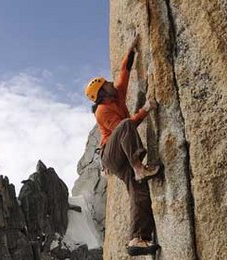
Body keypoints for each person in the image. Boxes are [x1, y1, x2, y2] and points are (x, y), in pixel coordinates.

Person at [84, 35, 162, 256]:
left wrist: (131, 49)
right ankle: (139, 167)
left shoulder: (116, 95)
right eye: (105, 84)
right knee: (126, 124)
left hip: (122, 157)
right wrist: (146, 109)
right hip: (112, 155)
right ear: (101, 93)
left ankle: (138, 238)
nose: (110, 83)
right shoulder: (103, 111)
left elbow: (124, 73)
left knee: (140, 194)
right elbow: (127, 127)